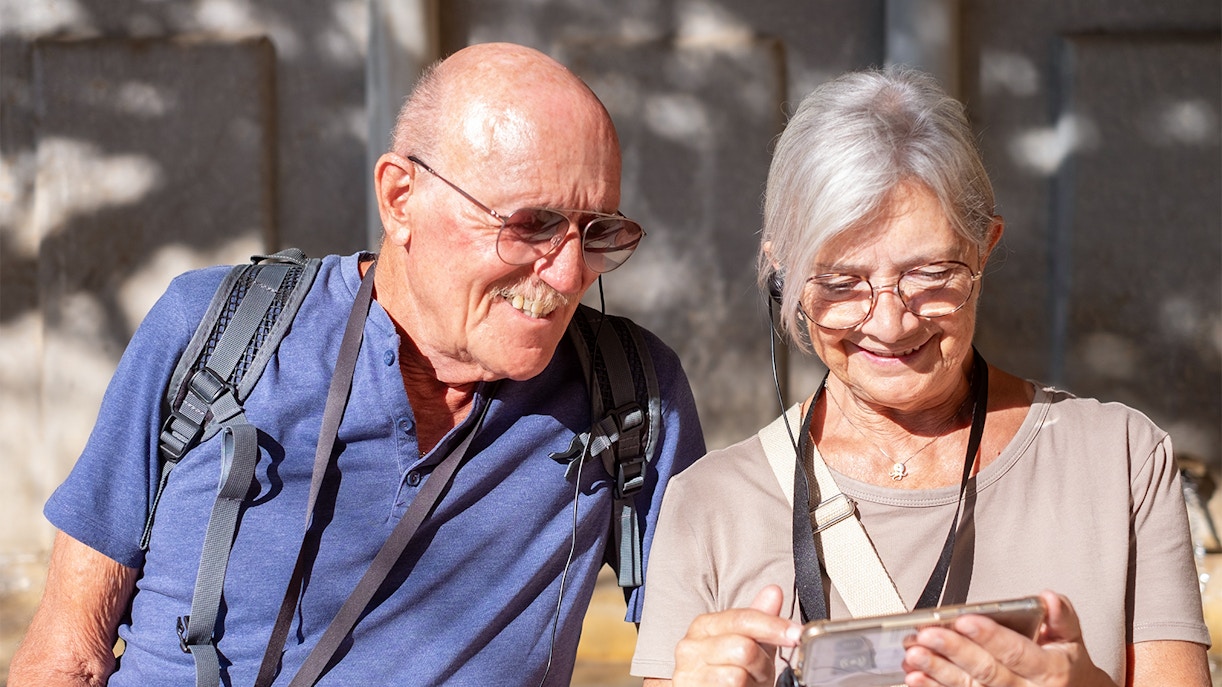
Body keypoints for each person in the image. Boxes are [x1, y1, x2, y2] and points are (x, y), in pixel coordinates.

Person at [11, 42, 705, 686]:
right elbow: (67, 650)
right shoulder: (214, 333)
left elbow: (689, 657)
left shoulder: (632, 397)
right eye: (532, 224)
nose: (567, 273)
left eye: (599, 232)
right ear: (401, 197)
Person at [630, 66, 1210, 687]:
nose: (889, 322)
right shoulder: (710, 505)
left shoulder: (1121, 461)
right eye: (840, 282)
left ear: (985, 248)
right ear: (784, 277)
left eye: (931, 274)